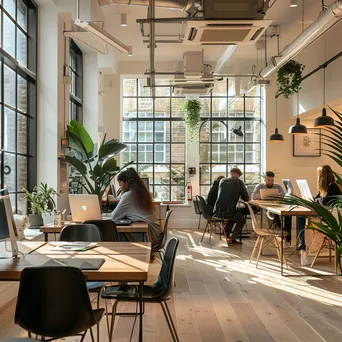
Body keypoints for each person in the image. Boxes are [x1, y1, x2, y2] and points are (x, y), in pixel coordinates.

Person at [111, 168, 163, 251]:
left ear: (126, 183)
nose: (120, 187)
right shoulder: (141, 192)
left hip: (148, 235)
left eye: (120, 184)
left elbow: (115, 216)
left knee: (117, 235)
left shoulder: (128, 195)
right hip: (156, 231)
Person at [296, 165, 342, 250]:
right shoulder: (324, 188)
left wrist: (315, 201)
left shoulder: (333, 186)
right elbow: (318, 199)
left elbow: (325, 201)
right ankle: (302, 244)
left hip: (330, 218)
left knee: (301, 216)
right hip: (324, 214)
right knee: (300, 215)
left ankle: (303, 245)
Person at [252, 171, 292, 242]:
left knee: (288, 214)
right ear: (265, 179)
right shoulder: (259, 186)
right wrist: (263, 195)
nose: (271, 182)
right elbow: (253, 197)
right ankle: (280, 231)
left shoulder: (277, 186)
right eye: (269, 180)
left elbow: (284, 195)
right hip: (266, 206)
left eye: (272, 180)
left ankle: (285, 234)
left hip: (277, 205)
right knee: (274, 213)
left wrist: (279, 195)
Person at [214, 168, 249, 245]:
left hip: (218, 210)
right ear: (238, 175)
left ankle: (226, 232)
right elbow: (246, 198)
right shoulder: (239, 182)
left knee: (233, 216)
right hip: (229, 211)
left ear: (231, 173)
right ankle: (232, 239)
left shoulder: (222, 181)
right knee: (241, 219)